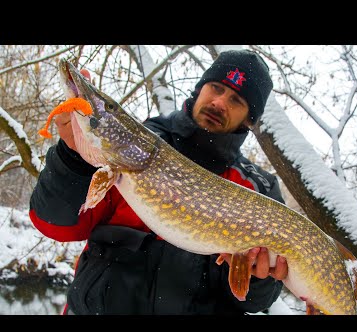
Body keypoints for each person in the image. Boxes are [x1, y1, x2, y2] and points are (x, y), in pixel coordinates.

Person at [29, 49, 288, 315]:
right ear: (200, 89)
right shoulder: (137, 148)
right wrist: (73, 158)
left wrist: (259, 278)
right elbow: (55, 225)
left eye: (235, 99)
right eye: (216, 87)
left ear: (248, 119)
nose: (220, 102)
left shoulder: (259, 190)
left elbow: (254, 301)